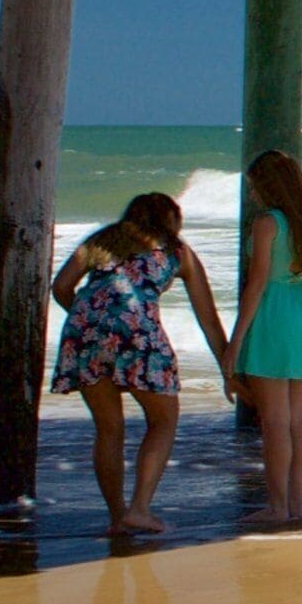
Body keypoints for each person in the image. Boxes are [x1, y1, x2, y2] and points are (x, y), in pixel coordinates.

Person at [49, 193, 232, 537]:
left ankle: (118, 517)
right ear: (170, 221)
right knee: (163, 420)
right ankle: (140, 509)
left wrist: (91, 321)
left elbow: (61, 286)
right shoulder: (177, 251)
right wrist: (228, 368)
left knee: (108, 428)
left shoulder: (100, 241)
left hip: (83, 333)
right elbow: (207, 317)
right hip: (138, 334)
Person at [231, 150, 302, 530]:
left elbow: (258, 283)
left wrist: (234, 343)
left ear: (267, 185)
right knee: (297, 419)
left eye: (255, 186)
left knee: (274, 421)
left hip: (273, 316)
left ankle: (277, 507)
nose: (254, 194)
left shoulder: (267, 223)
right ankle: (297, 504)